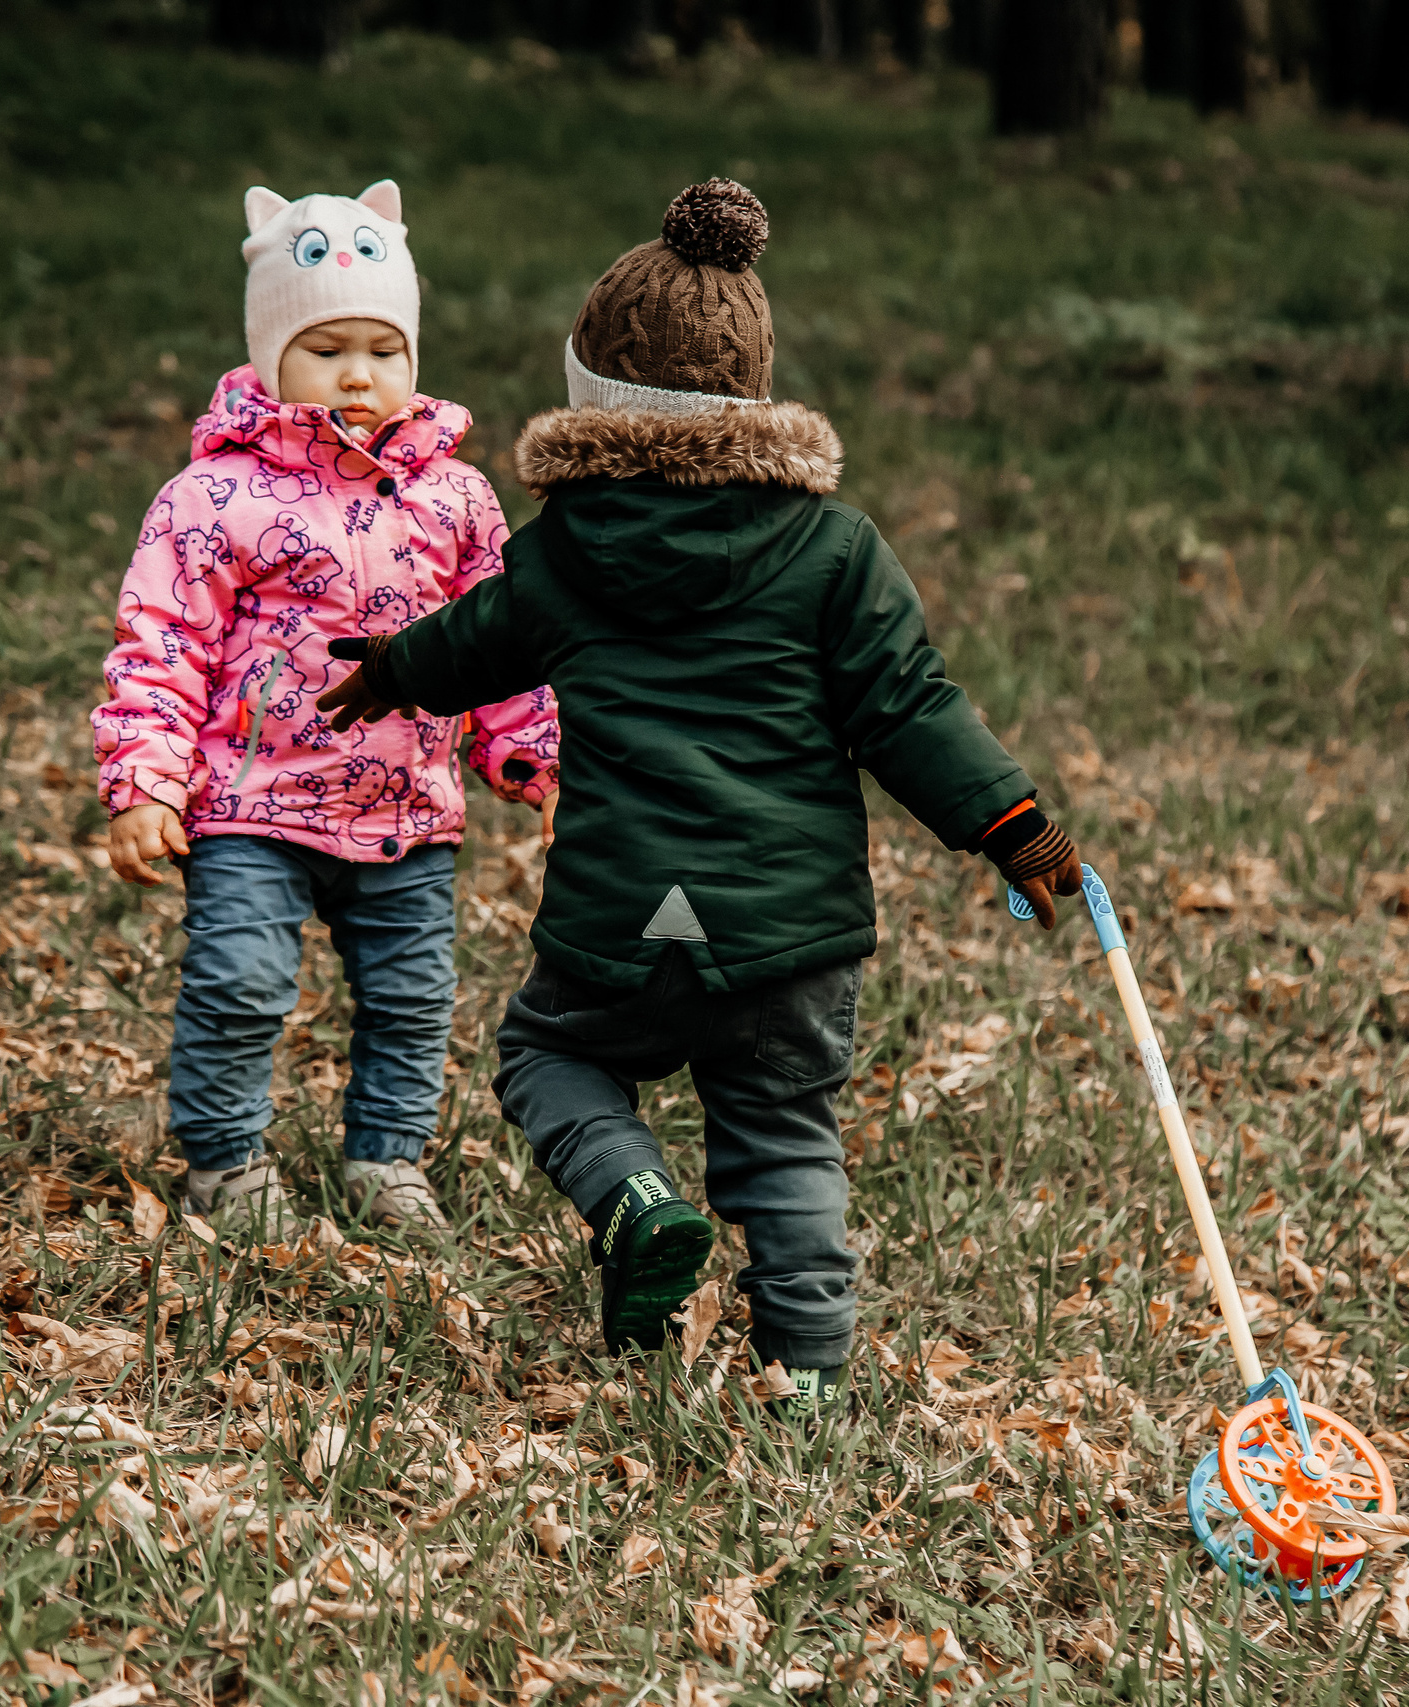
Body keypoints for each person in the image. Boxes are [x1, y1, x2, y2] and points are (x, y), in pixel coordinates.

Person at [317, 180, 1083, 1415]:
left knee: (549, 1053)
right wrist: (1016, 827)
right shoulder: (834, 549)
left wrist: (390, 671)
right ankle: (808, 1371)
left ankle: (634, 1197)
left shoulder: (563, 552)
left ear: (592, 398)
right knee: (780, 1131)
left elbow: (473, 641)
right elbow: (907, 707)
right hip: (787, 928)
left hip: (618, 916)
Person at [92, 180, 559, 1235]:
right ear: (270, 356)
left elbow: (502, 644)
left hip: (406, 810)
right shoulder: (213, 496)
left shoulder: (457, 498)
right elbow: (162, 641)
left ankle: (385, 1160)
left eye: (384, 349)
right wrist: (144, 781)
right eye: (326, 348)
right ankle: (223, 1162)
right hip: (250, 803)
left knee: (410, 998)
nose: (358, 373)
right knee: (240, 981)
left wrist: (537, 760)